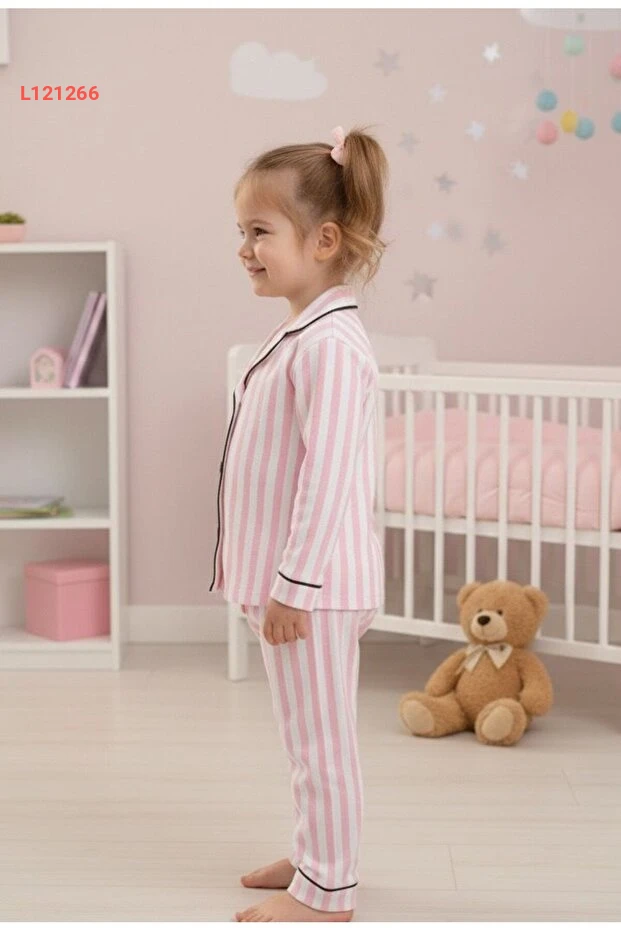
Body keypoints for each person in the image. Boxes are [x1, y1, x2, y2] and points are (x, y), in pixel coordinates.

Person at [210, 124, 391, 922]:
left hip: (311, 591)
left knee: (322, 741)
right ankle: (315, 851)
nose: (243, 248)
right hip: (292, 589)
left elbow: (327, 478)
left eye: (259, 231)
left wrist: (293, 584)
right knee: (302, 735)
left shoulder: (332, 346)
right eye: (241, 231)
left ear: (322, 240)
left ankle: (327, 891)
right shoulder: (301, 335)